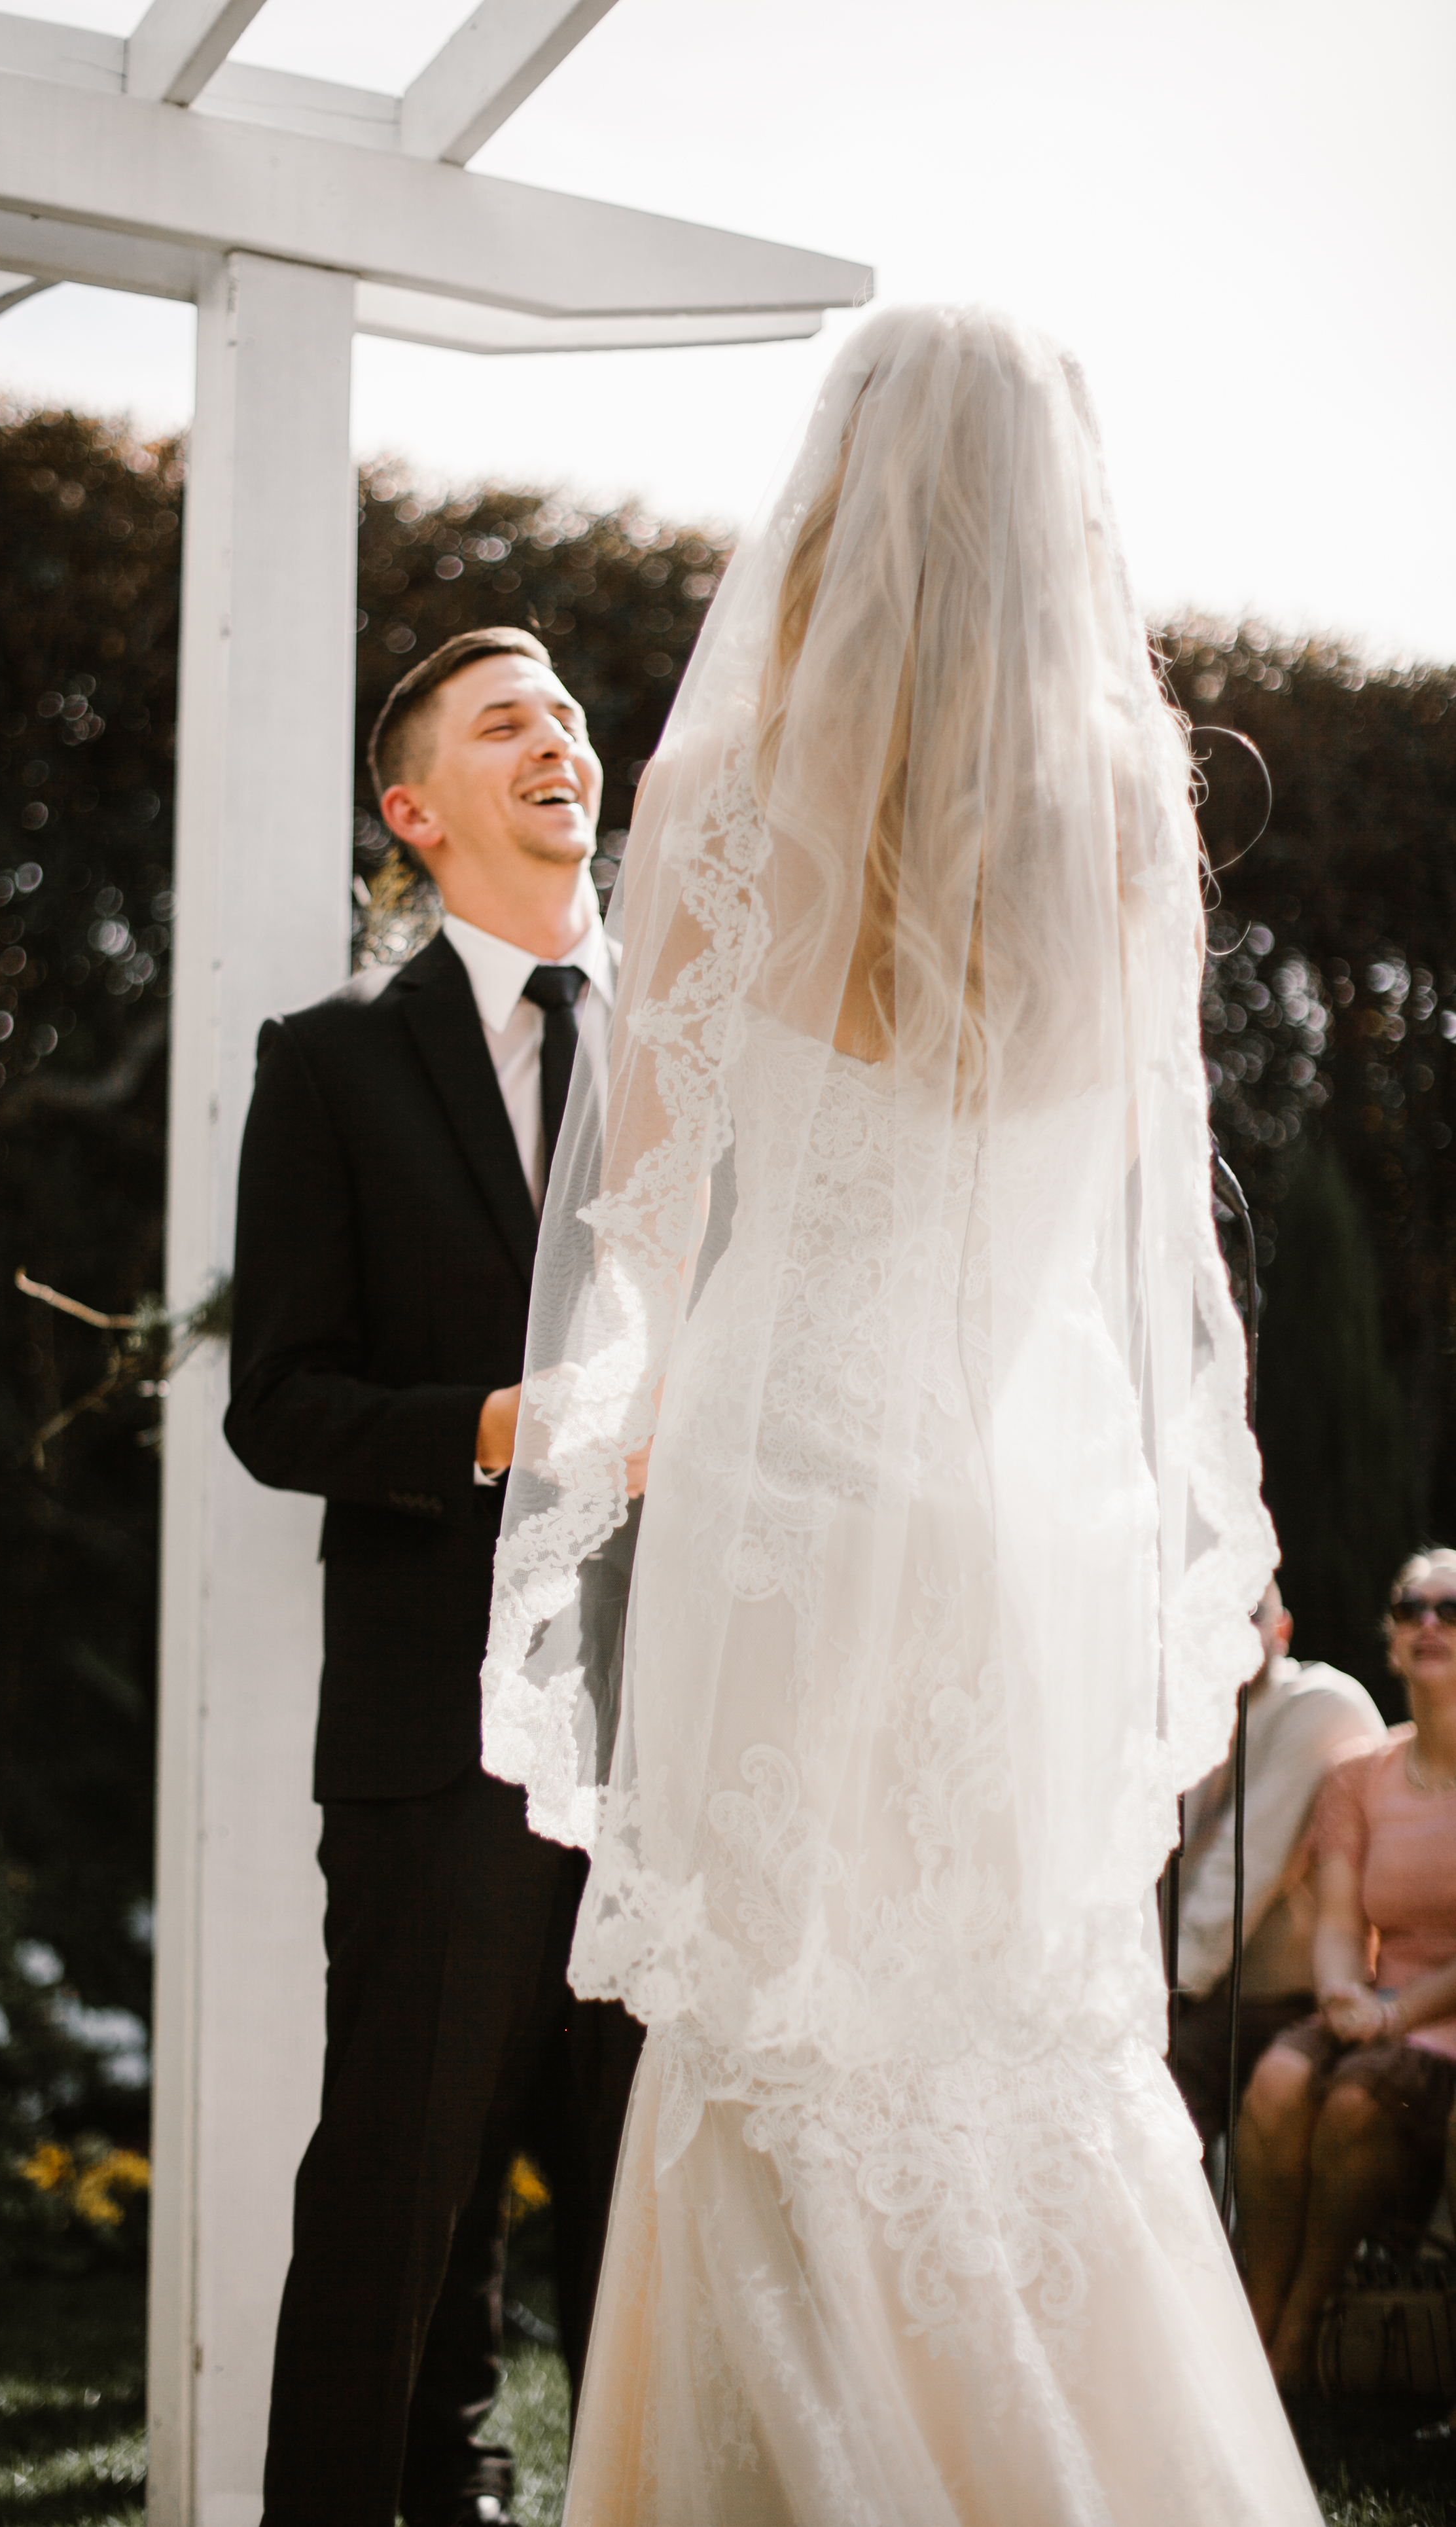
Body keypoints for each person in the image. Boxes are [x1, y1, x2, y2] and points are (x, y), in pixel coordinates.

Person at [482, 306, 1323, 2520]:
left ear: (838, 499)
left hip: (778, 1469)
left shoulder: (718, 792)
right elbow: (1139, 1212)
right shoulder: (1122, 813)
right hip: (1015, 1495)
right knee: (1012, 2024)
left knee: (770, 2023)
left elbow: (643, 1191)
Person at [225, 626, 641, 2527]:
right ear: (415, 809)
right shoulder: (329, 1063)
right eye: (503, 723)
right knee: (402, 2204)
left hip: (682, 1738)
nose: (556, 739)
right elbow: (280, 1404)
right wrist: (495, 1427)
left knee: (650, 2207)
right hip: (440, 1733)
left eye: (564, 713)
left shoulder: (705, 1046)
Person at [1235, 1547, 1456, 2390]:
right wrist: (1339, 1989)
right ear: (1391, 1639)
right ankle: (1254, 2323)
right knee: (1275, 2083)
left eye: (1451, 1610)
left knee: (1358, 2103)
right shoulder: (1359, 1776)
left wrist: (1394, 2014)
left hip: (1434, 2018)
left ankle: (1299, 2332)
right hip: (1374, 2001)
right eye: (1411, 1608)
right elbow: (1339, 1923)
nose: (1429, 1622)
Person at [1173, 1577, 1384, 2148]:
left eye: (1252, 1613)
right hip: (1220, 1985)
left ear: (1282, 1627)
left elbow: (1244, 1862)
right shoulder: (1206, 1715)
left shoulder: (1322, 1703)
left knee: (1163, 2074)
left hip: (1295, 1994)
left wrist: (1168, 1988)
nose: (1234, 1629)